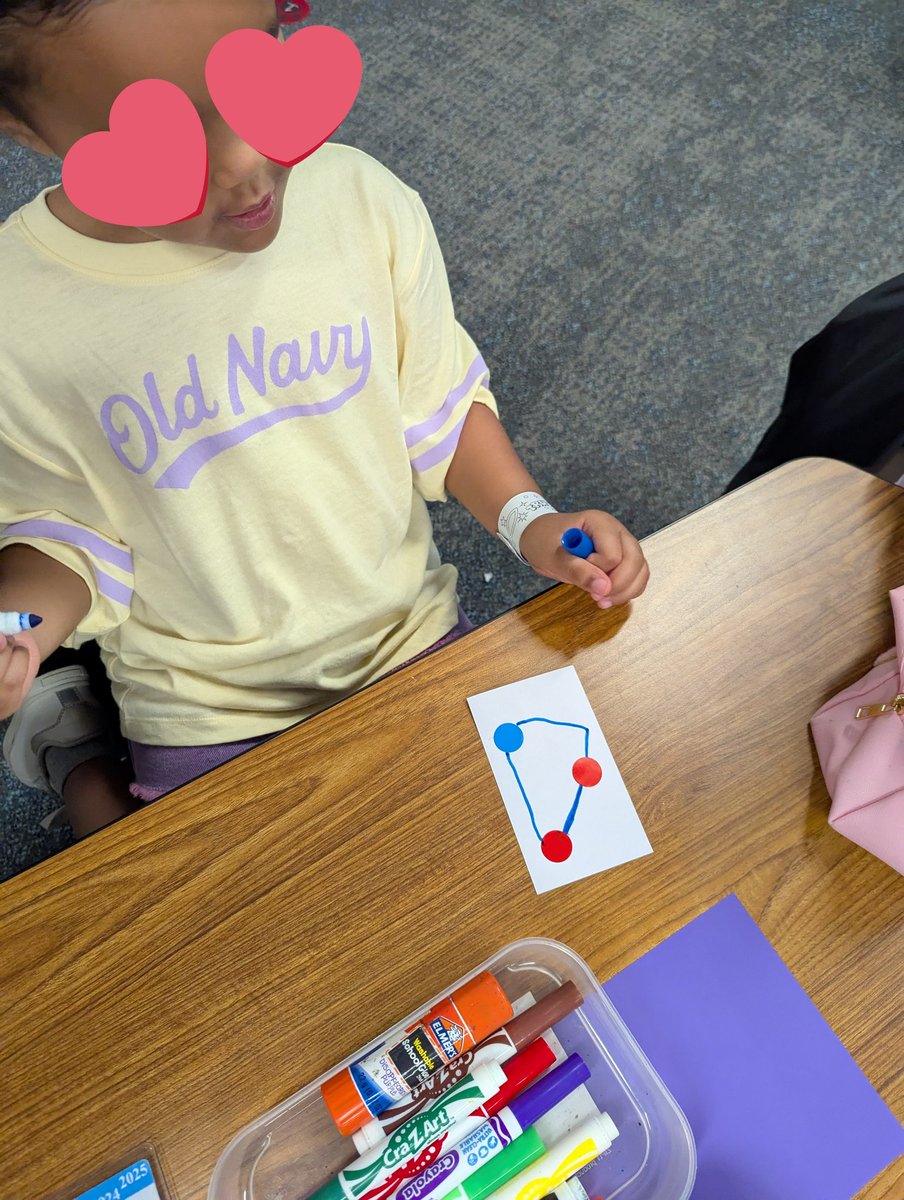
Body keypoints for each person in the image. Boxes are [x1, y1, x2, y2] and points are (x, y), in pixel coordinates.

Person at [0, 0, 650, 838]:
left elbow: (437, 410)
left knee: (575, 850)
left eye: (254, 84)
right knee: (186, 934)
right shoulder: (22, 318)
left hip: (408, 641)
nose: (244, 169)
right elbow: (63, 535)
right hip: (207, 711)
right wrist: (17, 627)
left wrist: (534, 520)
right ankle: (76, 755)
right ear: (23, 125)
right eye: (165, 139)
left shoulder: (362, 202)